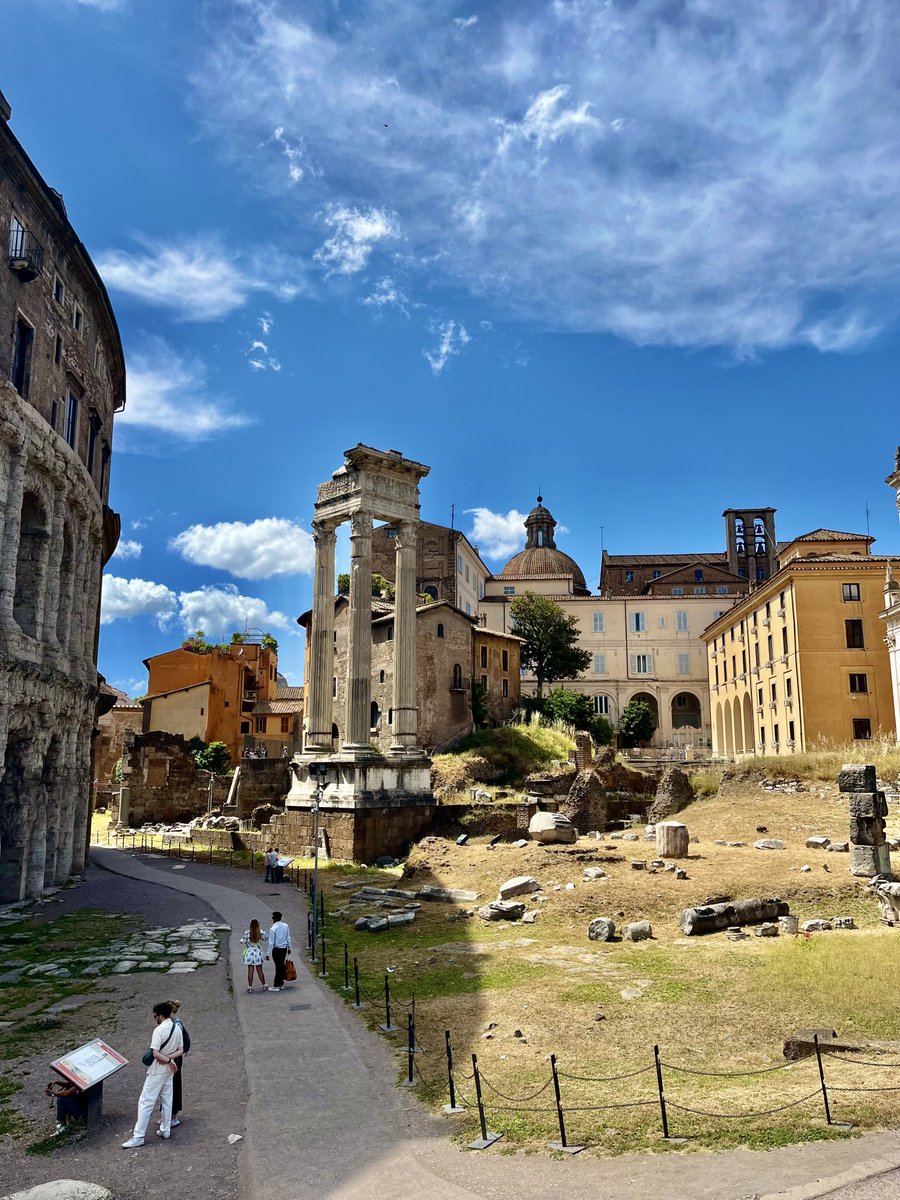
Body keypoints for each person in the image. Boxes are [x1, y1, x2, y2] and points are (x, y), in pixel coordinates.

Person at [122, 1001, 182, 1148]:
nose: (155, 1019)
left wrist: (166, 1059)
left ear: (161, 1016)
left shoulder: (159, 1031)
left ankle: (139, 1136)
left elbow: (155, 1052)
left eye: (155, 1016)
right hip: (169, 1069)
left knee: (146, 1101)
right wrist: (170, 1059)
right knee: (167, 1099)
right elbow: (181, 1050)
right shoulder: (177, 1028)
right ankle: (165, 1129)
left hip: (157, 1069)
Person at [158, 999, 190, 1130]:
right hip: (172, 1057)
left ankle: (173, 1116)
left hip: (173, 1057)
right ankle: (167, 1115)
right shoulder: (175, 1023)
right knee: (167, 1086)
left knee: (173, 1085)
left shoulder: (176, 1025)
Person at [266, 911, 292, 991]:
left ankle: (276, 984)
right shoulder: (285, 926)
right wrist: (289, 948)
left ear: (274, 918)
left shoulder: (273, 929)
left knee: (278, 966)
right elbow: (288, 938)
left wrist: (268, 953)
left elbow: (271, 943)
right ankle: (281, 983)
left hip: (276, 949)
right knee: (281, 965)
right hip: (284, 949)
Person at [241, 919, 269, 992]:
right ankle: (264, 985)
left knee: (250, 971)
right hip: (258, 953)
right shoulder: (260, 933)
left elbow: (242, 941)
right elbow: (266, 938)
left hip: (249, 953)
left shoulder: (247, 933)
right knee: (259, 971)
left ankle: (250, 987)